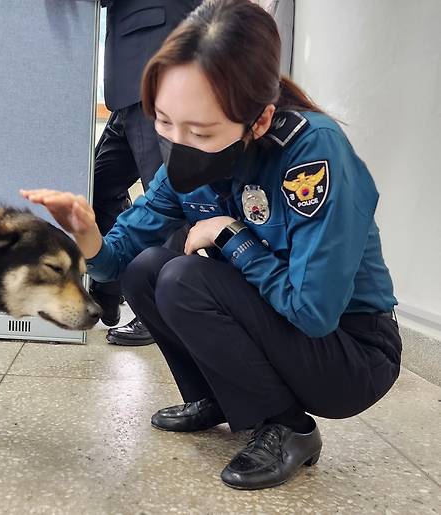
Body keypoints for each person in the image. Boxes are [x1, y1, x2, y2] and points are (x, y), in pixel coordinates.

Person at [22, 0, 401, 490]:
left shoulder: (311, 153)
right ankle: (214, 398)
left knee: (183, 278)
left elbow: (314, 312)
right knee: (147, 269)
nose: (178, 143)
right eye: (164, 122)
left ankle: (290, 427)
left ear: (259, 122)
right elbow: (118, 258)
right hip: (288, 323)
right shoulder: (189, 154)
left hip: (351, 353)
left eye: (200, 131)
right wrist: (89, 234)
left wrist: (231, 236)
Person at [94, 0, 201, 346]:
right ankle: (107, 294)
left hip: (154, 67)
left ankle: (160, 312)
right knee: (98, 185)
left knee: (166, 199)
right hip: (130, 81)